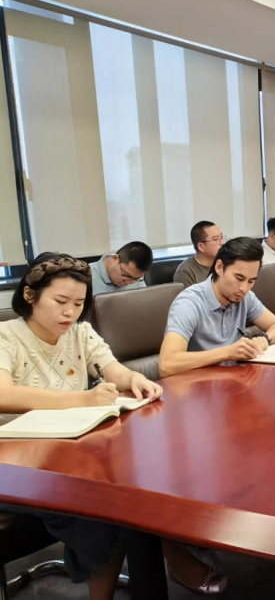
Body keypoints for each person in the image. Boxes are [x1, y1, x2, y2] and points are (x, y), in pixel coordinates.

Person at [0, 253, 223, 599]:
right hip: (17, 466)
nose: (70, 312)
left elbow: (112, 368)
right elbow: (4, 395)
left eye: (78, 304)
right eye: (60, 302)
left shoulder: (79, 332)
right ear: (30, 295)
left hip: (72, 452)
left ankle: (157, 564)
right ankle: (171, 558)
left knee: (136, 487)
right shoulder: (7, 336)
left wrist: (133, 379)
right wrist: (81, 400)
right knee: (113, 509)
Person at [159, 237, 275, 378]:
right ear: (219, 267)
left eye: (251, 281)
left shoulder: (245, 297)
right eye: (239, 278)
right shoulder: (189, 304)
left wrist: (264, 339)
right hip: (200, 385)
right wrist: (227, 353)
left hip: (236, 380)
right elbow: (167, 364)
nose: (244, 288)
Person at [89, 241, 153, 294]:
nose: (128, 283)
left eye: (135, 279)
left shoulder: (137, 278)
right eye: (126, 276)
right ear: (114, 259)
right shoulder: (87, 276)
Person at [174, 221, 224, 287]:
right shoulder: (185, 272)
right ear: (201, 246)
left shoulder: (226, 262)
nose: (222, 243)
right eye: (216, 239)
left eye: (221, 237)